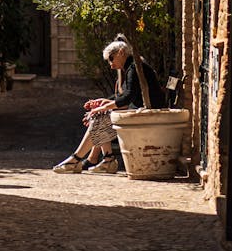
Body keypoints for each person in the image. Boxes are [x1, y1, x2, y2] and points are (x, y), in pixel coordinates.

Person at [53, 35, 165, 175]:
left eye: (111, 59)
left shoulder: (134, 67)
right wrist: (103, 102)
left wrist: (103, 106)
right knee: (100, 116)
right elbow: (125, 96)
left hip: (147, 114)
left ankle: (78, 160)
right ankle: (105, 159)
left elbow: (128, 97)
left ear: (121, 53)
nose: (110, 64)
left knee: (101, 117)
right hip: (140, 112)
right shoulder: (131, 66)